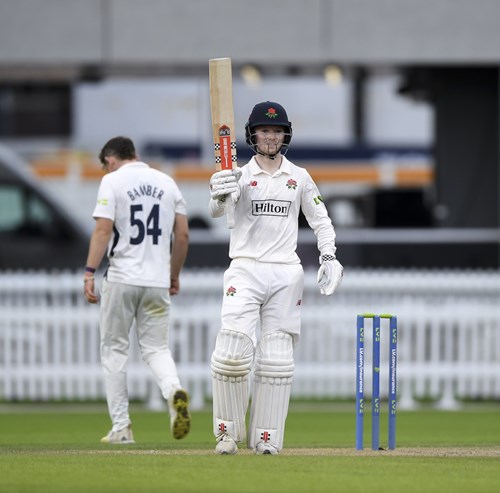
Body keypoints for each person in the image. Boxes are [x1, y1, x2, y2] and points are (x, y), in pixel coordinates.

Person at [208, 101, 343, 455]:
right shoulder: (238, 175)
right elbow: (218, 209)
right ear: (253, 135)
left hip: (285, 271)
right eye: (264, 131)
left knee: (277, 359)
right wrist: (218, 192)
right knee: (231, 352)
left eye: (277, 131)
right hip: (245, 267)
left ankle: (266, 439)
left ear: (286, 135)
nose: (270, 137)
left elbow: (321, 221)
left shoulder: (299, 177)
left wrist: (329, 255)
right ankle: (227, 433)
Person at [83, 136, 191, 444]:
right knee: (156, 349)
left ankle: (121, 426)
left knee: (115, 350)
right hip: (157, 280)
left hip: (122, 277)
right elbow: (182, 235)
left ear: (110, 160)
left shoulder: (112, 181)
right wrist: (174, 275)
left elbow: (103, 230)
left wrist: (89, 272)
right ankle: (173, 391)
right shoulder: (167, 183)